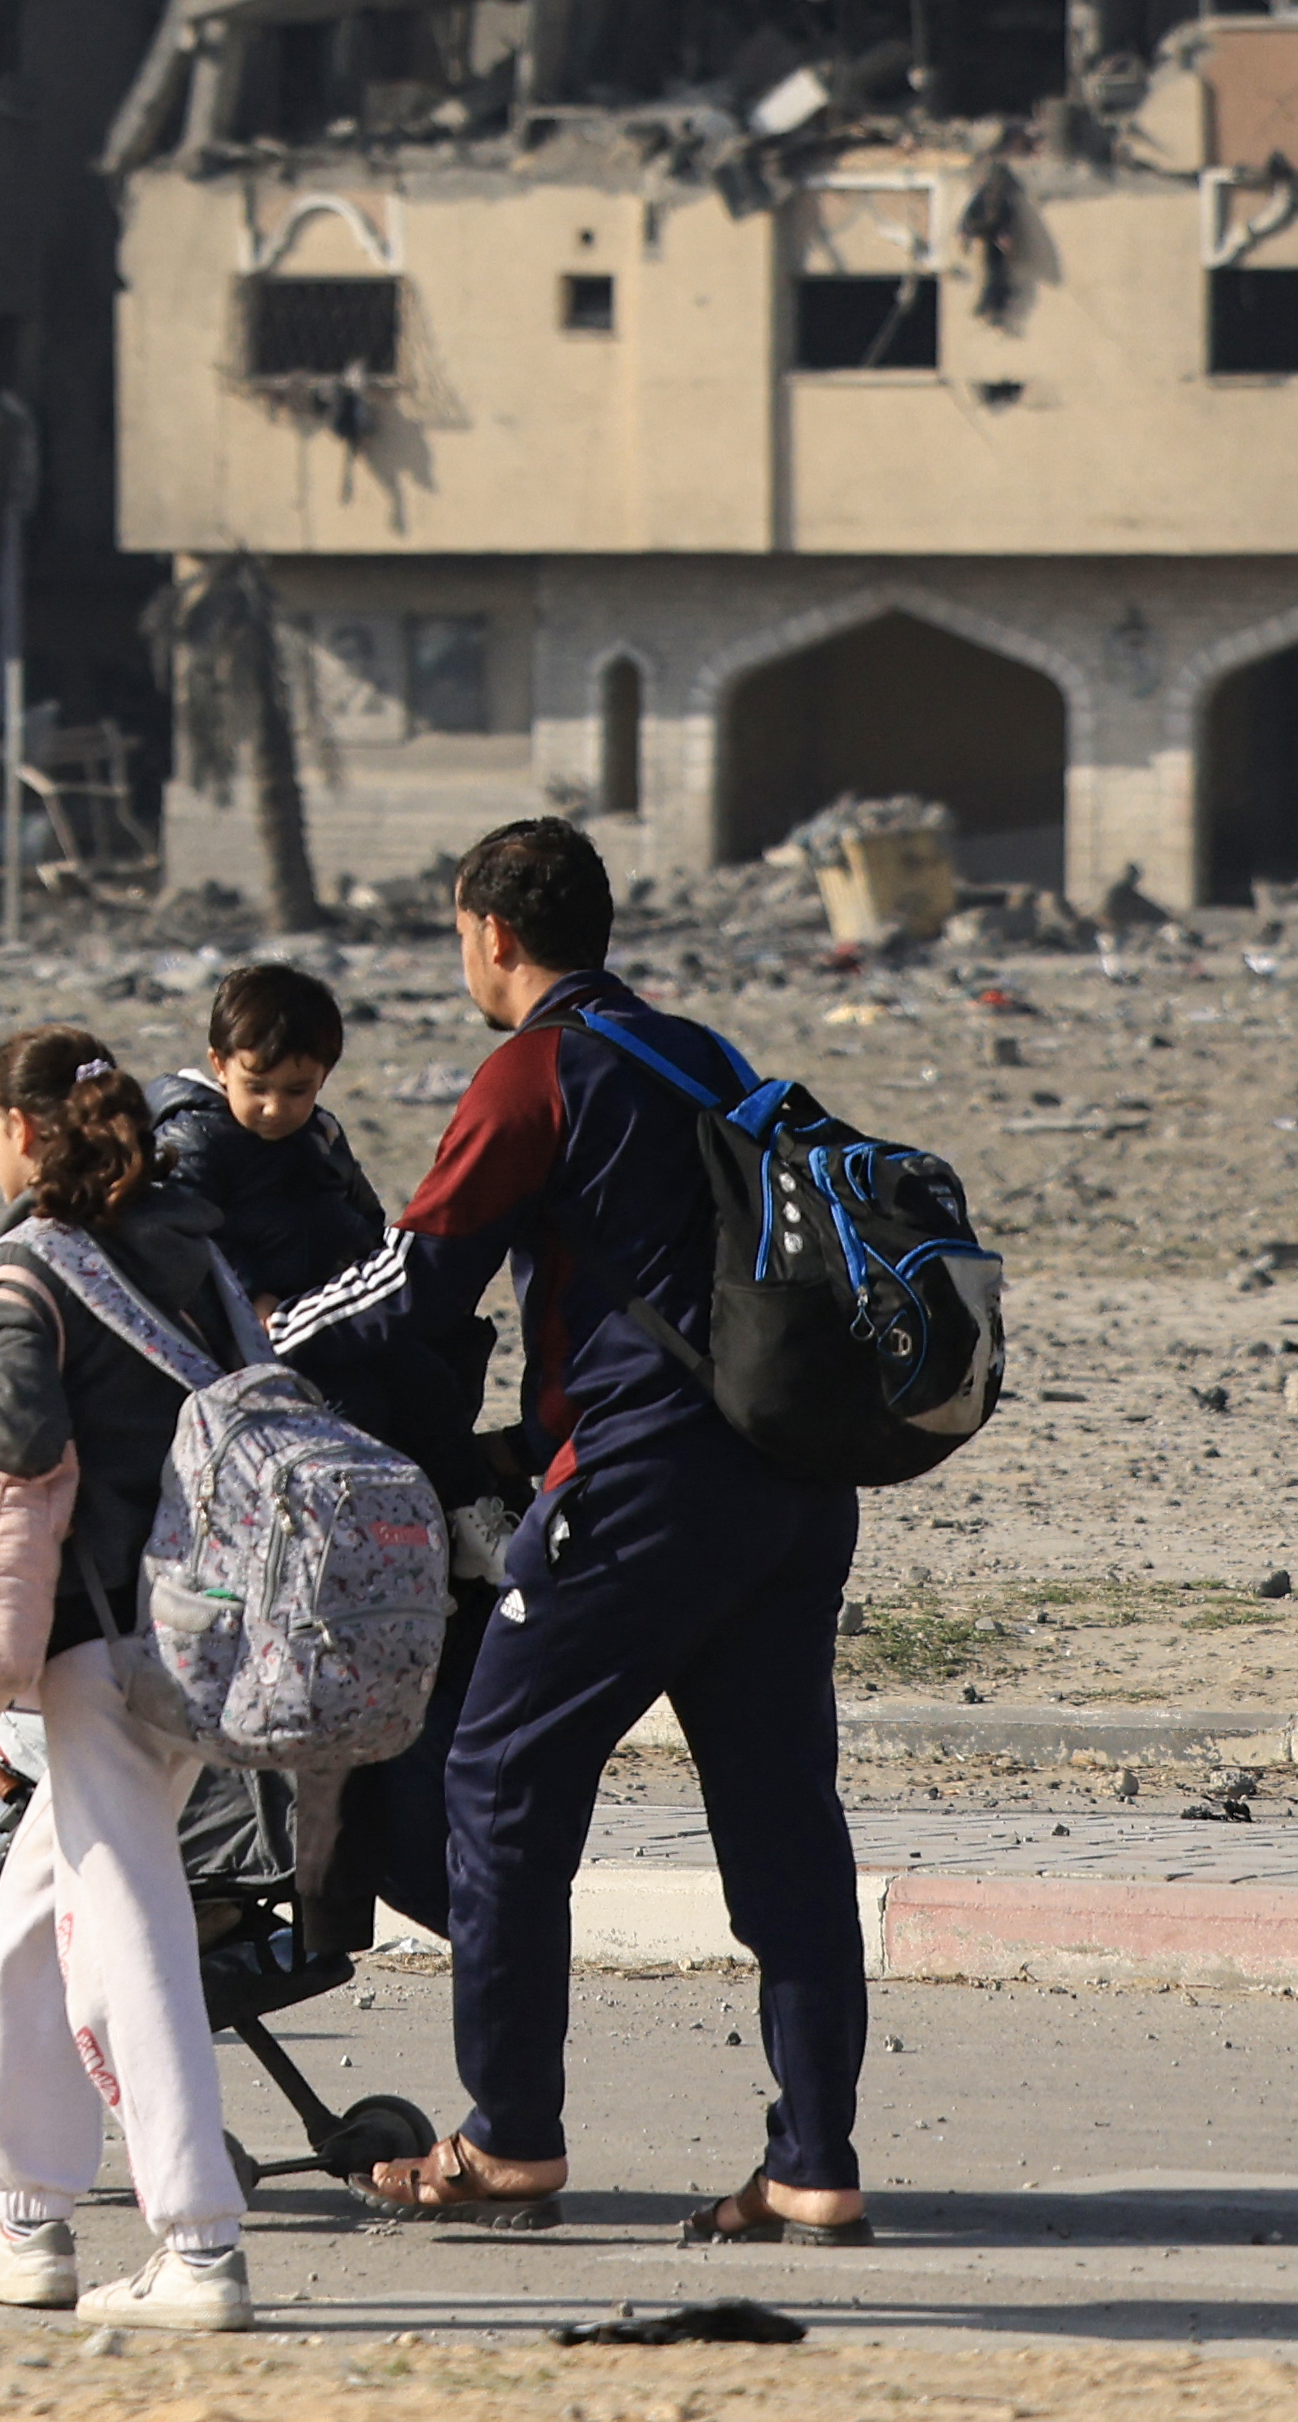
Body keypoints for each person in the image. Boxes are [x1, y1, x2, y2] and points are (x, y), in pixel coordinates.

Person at [278, 815, 876, 2244]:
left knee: (496, 1779)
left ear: (491, 932)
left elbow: (418, 1287)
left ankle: (510, 2140)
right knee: (786, 1822)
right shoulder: (705, 1054)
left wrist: (246, 1342)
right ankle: (815, 2161)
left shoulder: (533, 1068)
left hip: (641, 1491)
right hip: (795, 1487)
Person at [0, 1026, 264, 2334]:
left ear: (15, 1131)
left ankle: (199, 2241)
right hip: (219, 1622)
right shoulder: (194, 1241)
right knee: (31, 1916)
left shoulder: (29, 1263)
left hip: (107, 1639)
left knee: (131, 1922)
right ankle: (29, 2219)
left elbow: (15, 1426)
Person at [152, 959, 388, 1309]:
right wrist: (250, 1295)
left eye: (296, 1091)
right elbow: (180, 1235)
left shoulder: (321, 1134)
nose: (275, 1108)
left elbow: (362, 1211)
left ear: (324, 1075)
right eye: (257, 1088)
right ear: (220, 1065)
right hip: (239, 1327)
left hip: (328, 1307)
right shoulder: (196, 1139)